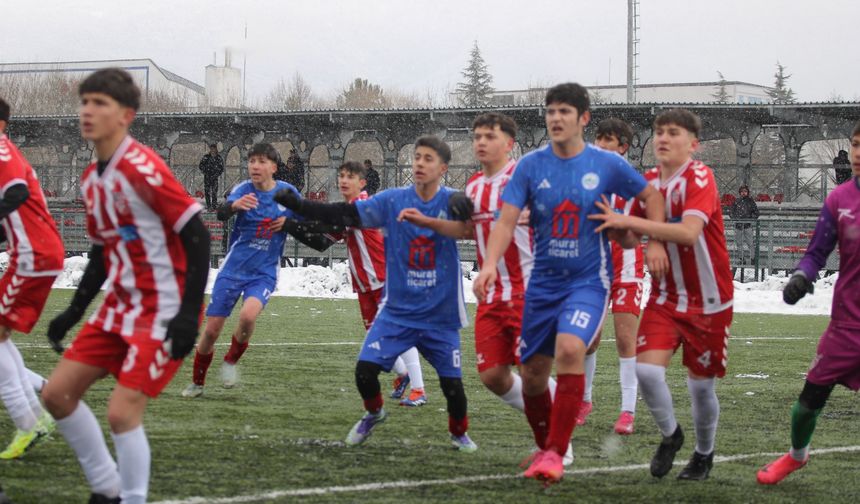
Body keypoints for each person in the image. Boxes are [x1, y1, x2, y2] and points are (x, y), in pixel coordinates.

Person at [473, 83, 666, 484]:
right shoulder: (530, 166)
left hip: (587, 284)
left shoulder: (606, 164)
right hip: (541, 285)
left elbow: (651, 196)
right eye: (550, 111)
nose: (555, 118)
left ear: (583, 118)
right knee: (532, 376)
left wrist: (645, 235)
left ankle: (557, 453)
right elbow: (505, 221)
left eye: (564, 111)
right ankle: (547, 447)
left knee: (570, 347)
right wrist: (490, 263)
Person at [40, 68, 211, 504]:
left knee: (121, 414)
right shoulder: (91, 180)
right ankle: (107, 490)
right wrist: (74, 312)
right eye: (84, 102)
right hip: (118, 309)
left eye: (100, 104)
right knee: (57, 395)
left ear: (126, 115)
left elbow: (198, 233)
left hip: (163, 311)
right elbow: (101, 252)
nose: (87, 111)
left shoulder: (142, 168)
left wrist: (189, 314)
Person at [274, 135, 479, 451]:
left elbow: (471, 215)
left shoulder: (451, 199)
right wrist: (299, 206)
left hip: (439, 313)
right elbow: (342, 215)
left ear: (443, 168)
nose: (420, 163)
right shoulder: (392, 200)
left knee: (454, 388)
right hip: (397, 308)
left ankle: (458, 432)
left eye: (428, 159)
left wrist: (464, 208)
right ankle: (375, 412)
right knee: (365, 372)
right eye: (417, 157)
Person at [401, 112, 574, 464]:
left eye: (488, 136)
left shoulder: (527, 179)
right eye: (477, 136)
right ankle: (563, 411)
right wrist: (430, 221)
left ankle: (556, 444)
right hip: (492, 295)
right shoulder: (475, 187)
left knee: (531, 375)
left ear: (509, 144)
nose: (480, 142)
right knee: (493, 375)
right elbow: (468, 232)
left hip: (531, 293)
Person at [589, 108, 734, 481]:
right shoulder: (647, 182)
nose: (664, 139)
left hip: (709, 301)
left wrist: (631, 223)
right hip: (666, 298)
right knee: (647, 371)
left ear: (693, 143)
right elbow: (630, 238)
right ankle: (671, 435)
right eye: (659, 132)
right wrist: (612, 226)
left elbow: (688, 234)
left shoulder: (701, 177)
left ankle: (703, 453)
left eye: (674, 132)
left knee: (701, 390)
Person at [181, 143, 334, 397]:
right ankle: (198, 382)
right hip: (233, 270)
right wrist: (233, 206)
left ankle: (230, 361)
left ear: (274, 167)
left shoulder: (287, 193)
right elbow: (220, 214)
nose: (255, 166)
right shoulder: (242, 190)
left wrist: (291, 224)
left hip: (264, 272)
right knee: (211, 330)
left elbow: (309, 222)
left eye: (262, 161)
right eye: (252, 161)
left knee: (248, 317)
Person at [756, 121, 860, 485]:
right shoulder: (840, 199)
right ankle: (797, 455)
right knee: (807, 403)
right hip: (846, 326)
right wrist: (801, 276)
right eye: (856, 145)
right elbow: (817, 252)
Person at [328, 161, 427, 406]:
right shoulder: (349, 210)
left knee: (396, 333)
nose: (343, 181)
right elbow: (323, 238)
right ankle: (403, 375)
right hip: (364, 285)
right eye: (340, 176)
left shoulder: (363, 207)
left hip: (384, 281)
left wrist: (292, 215)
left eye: (349, 176)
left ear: (362, 183)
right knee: (377, 338)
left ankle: (419, 390)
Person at [0, 98, 65, 460]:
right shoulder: (8, 151)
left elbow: (16, 193)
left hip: (33, 256)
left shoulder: (1, 151)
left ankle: (30, 422)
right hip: (34, 253)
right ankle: (37, 409)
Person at [583, 117, 646, 435]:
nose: (601, 145)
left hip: (627, 269)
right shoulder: (586, 179)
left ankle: (627, 411)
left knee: (624, 338)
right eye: (598, 139)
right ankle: (585, 400)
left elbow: (654, 218)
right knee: (587, 342)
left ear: (623, 147)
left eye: (608, 140)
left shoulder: (635, 182)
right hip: (593, 270)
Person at [729, 185, 759, 265]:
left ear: (747, 192)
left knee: (750, 243)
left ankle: (753, 259)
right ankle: (742, 259)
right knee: (739, 243)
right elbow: (731, 212)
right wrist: (736, 219)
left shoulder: (751, 201)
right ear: (740, 193)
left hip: (747, 226)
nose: (743, 193)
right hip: (738, 226)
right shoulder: (736, 201)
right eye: (742, 191)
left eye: (745, 191)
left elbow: (756, 213)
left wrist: (749, 219)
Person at [199, 143, 225, 209]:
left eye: (214, 149)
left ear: (216, 149)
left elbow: (221, 168)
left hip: (214, 177)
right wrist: (205, 171)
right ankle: (208, 205)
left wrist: (217, 174)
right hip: (207, 177)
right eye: (211, 149)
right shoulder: (206, 157)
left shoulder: (218, 158)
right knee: (207, 192)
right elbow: (201, 166)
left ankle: (214, 205)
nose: (213, 150)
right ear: (210, 149)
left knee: (214, 192)